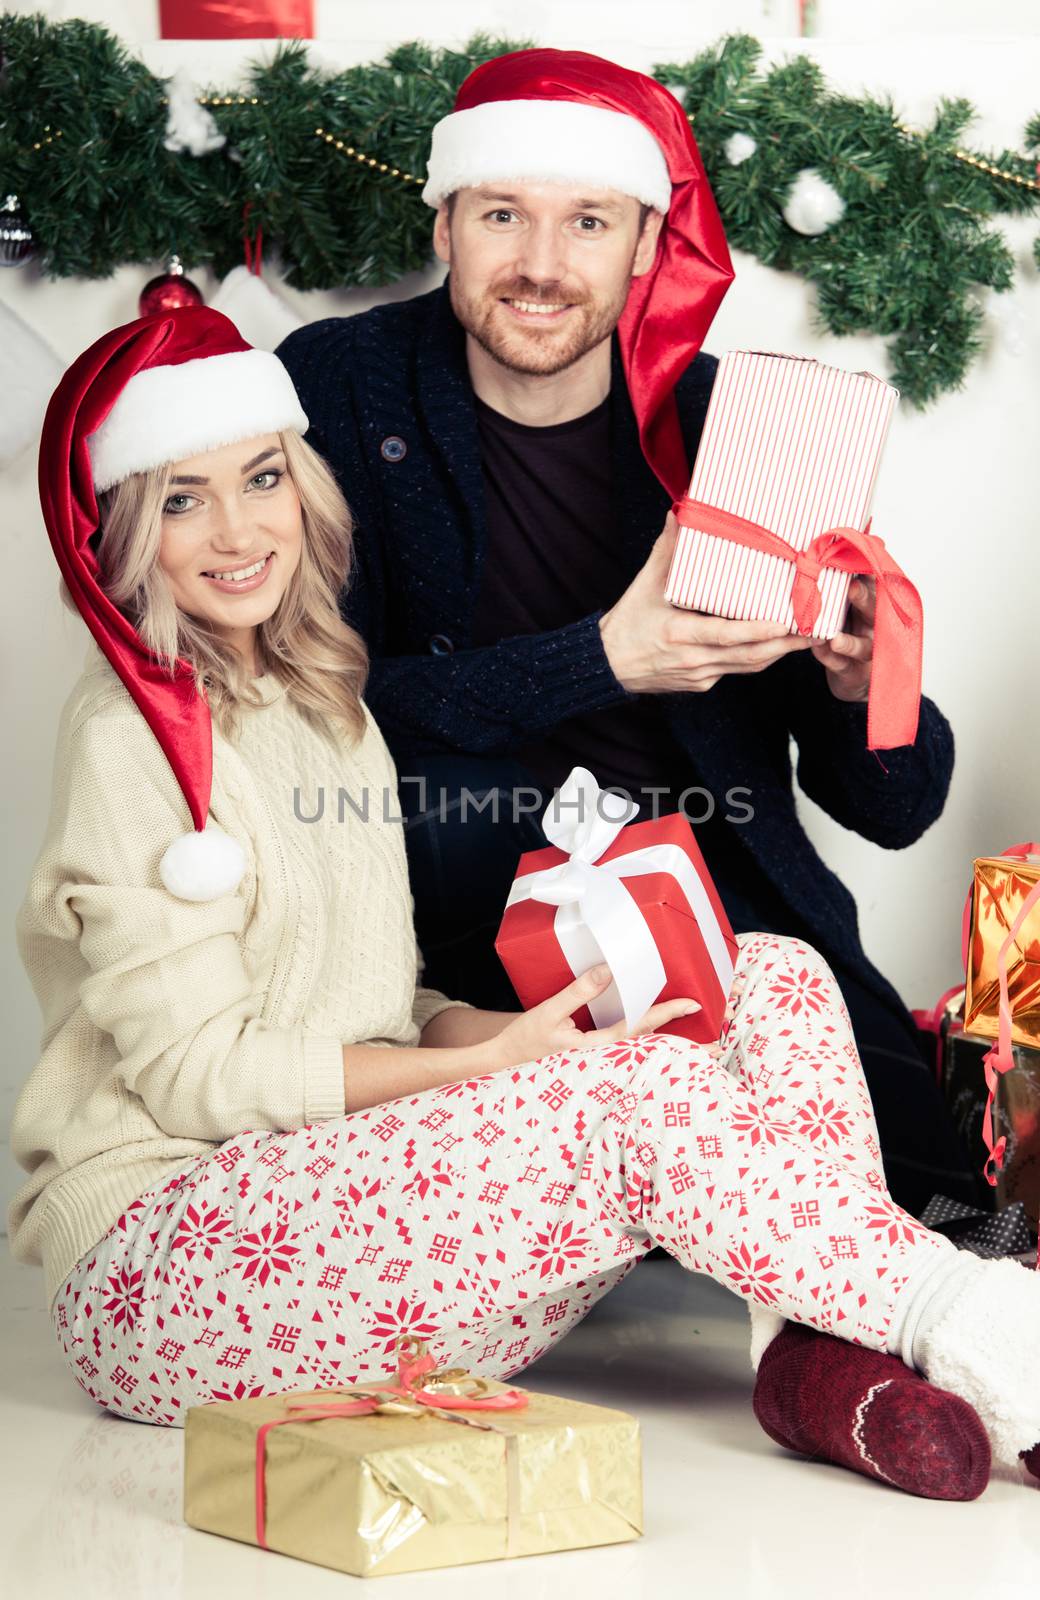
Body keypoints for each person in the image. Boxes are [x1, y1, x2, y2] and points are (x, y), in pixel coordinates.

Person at [9, 305, 1040, 1507]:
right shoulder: (131, 729)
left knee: (767, 973)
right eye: (179, 499)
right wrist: (500, 1066)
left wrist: (542, 1029)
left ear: (305, 487)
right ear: (117, 530)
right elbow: (199, 1078)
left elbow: (386, 1002)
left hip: (350, 1236)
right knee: (634, 1093)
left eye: (262, 477)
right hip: (170, 1272)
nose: (237, 530)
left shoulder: (320, 698)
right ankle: (995, 1333)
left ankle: (825, 1371)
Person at [275, 47, 974, 1219]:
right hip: (453, 898)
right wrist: (600, 658)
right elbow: (300, 710)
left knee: (932, 1195)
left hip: (716, 888)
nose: (541, 267)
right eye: (503, 214)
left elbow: (898, 810)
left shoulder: (729, 422)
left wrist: (861, 686)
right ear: (444, 226)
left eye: (588, 222)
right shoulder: (338, 387)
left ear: (646, 244)